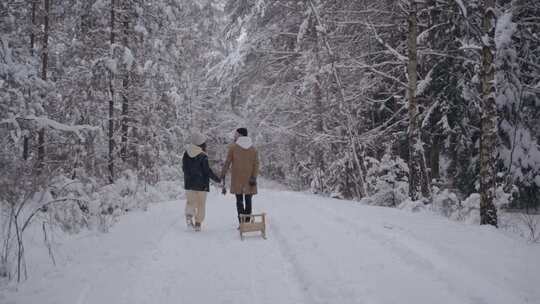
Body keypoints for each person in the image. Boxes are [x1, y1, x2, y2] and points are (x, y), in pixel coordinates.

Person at [182, 132, 221, 231]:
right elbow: (207, 171)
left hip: (189, 184)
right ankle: (198, 224)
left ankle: (189, 216)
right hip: (201, 185)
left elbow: (184, 168)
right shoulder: (202, 156)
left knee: (190, 202)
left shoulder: (186, 154)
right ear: (201, 144)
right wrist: (217, 179)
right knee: (201, 204)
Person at [221, 128, 259, 225]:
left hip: (237, 178)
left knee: (239, 200)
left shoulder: (233, 147)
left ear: (241, 135)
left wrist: (223, 173)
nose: (235, 136)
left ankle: (242, 223)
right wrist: (254, 177)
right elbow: (256, 164)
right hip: (249, 178)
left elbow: (228, 162)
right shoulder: (253, 149)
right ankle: (247, 221)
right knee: (248, 200)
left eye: (236, 134)